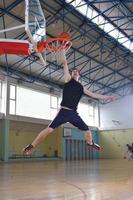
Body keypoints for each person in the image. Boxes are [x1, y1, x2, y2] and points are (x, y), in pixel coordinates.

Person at [23, 59, 115, 155]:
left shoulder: (81, 87)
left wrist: (108, 97)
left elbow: (94, 95)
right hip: (63, 112)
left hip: (73, 114)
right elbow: (65, 66)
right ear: (71, 75)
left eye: (76, 72)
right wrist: (65, 61)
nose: (74, 73)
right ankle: (31, 146)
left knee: (87, 131)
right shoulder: (68, 80)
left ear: (79, 75)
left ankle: (90, 143)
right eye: (73, 72)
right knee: (49, 130)